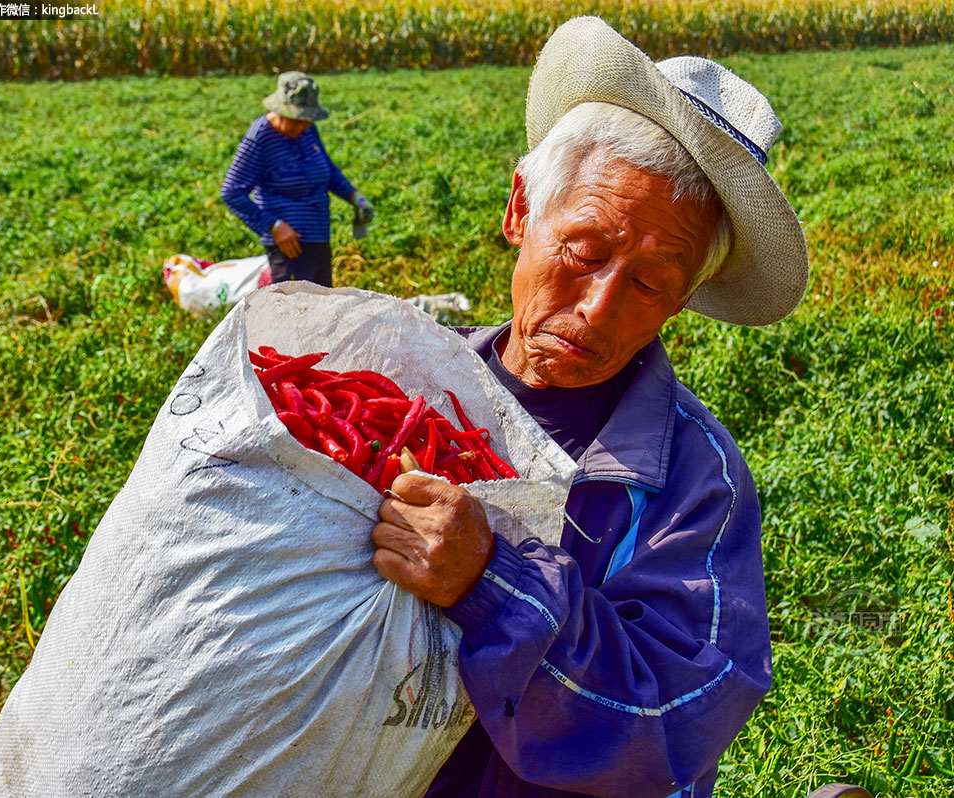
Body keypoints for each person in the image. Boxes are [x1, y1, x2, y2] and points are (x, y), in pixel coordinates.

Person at [370, 17, 809, 798]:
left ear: (680, 302)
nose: (600, 311)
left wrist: (492, 583)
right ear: (519, 210)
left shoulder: (695, 484)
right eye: (585, 250)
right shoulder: (403, 384)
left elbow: (675, 716)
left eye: (649, 284)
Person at [221, 70, 374, 287]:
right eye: (297, 120)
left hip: (318, 238)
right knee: (294, 311)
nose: (303, 126)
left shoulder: (307, 130)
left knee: (322, 307)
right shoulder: (261, 137)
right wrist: (274, 226)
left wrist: (355, 197)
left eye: (307, 120)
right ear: (280, 111)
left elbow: (328, 171)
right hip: (288, 247)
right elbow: (231, 191)